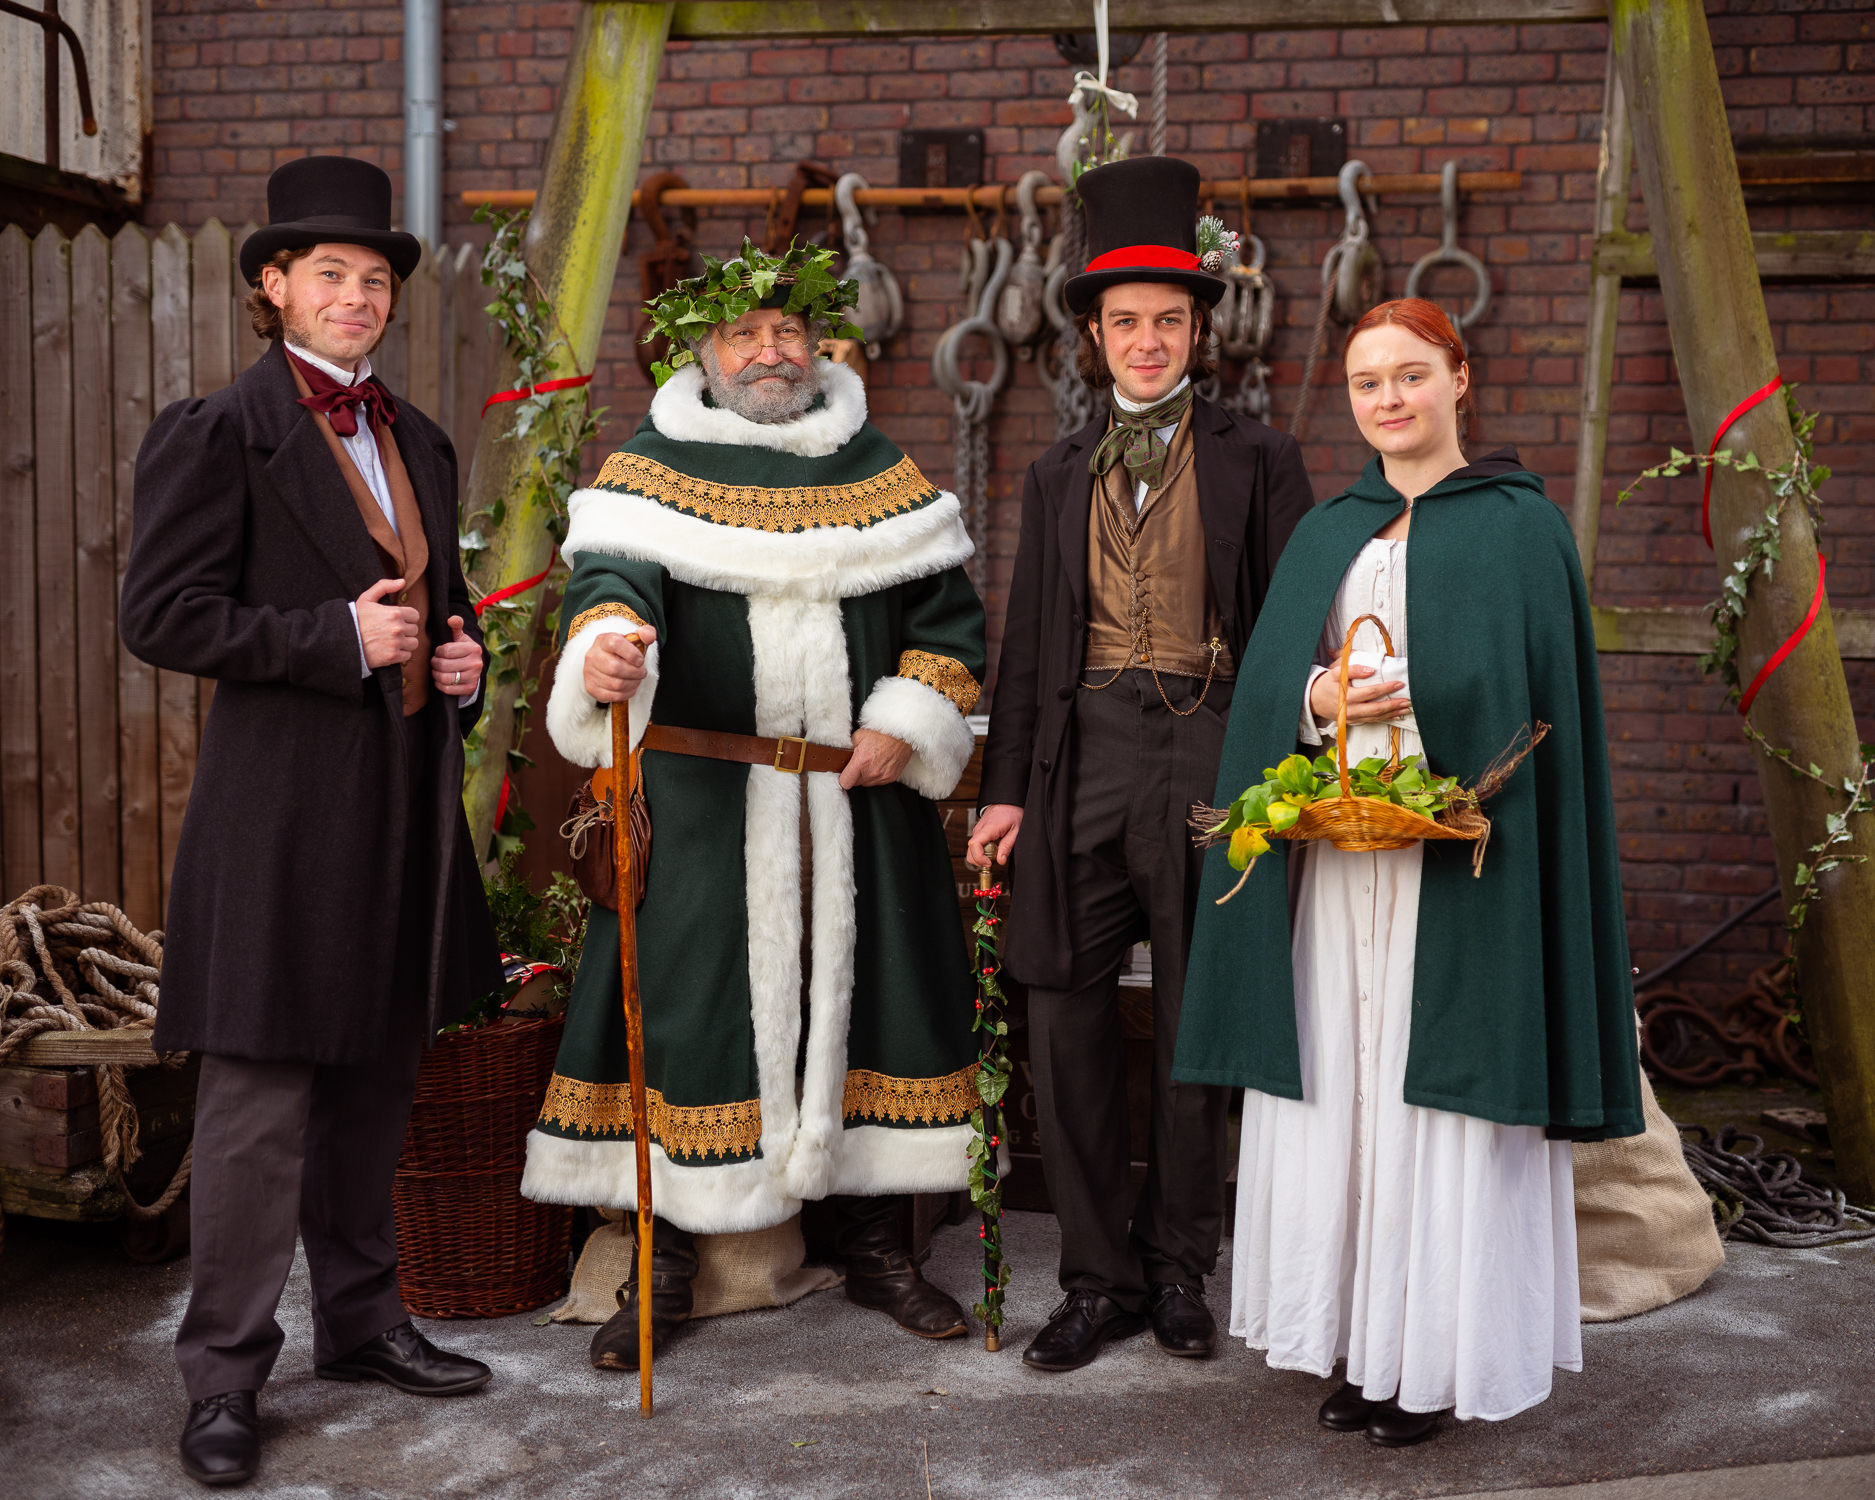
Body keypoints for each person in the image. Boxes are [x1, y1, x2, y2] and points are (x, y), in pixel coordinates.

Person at [1174, 298, 1645, 1446]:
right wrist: (1317, 695)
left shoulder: (1519, 528)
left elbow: (1537, 705)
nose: (1389, 400)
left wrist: (1441, 740)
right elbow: (1283, 677)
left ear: (1459, 379)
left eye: (1410, 375)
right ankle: (1355, 1341)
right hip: (1341, 864)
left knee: (1436, 1107)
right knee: (1347, 1084)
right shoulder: (1334, 528)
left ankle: (1430, 1358)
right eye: (1368, 383)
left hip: (1465, 867)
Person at [522, 238, 987, 1369]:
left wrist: (906, 720)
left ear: (825, 347)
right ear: (704, 352)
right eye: (746, 332)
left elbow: (952, 630)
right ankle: (665, 1263)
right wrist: (606, 656)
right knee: (690, 1016)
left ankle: (877, 1246)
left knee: (877, 1003)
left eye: (792, 331)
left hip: (858, 801)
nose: (772, 350)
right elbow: (610, 592)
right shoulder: (646, 475)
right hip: (703, 810)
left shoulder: (884, 474)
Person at [119, 156, 505, 1488]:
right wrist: (325, 637)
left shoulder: (427, 442)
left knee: (374, 1087)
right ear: (273, 284)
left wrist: (463, 665)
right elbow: (159, 617)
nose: (356, 297)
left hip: (401, 812)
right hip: (278, 822)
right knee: (255, 1109)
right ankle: (224, 1376)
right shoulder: (216, 431)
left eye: (375, 279)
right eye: (329, 275)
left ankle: (361, 1326)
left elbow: (443, 613)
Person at [967, 156, 1314, 1373]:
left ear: (1200, 328)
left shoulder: (1260, 460)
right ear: (1096, 335)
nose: (1150, 339)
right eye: (1128, 321)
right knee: (1061, 1013)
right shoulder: (1058, 472)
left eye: (1170, 319)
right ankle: (1095, 1277)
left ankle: (1179, 1269)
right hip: (1083, 758)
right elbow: (1022, 649)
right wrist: (1004, 787)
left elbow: (1291, 630)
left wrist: (1287, 777)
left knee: (1190, 1024)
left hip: (1216, 751)